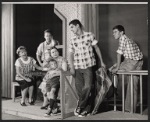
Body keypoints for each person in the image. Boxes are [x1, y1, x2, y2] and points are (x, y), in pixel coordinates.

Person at [68, 19, 106, 117]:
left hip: (88, 66)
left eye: (72, 27)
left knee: (88, 87)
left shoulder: (89, 35)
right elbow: (70, 54)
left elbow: (97, 48)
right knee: (79, 89)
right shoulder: (73, 40)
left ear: (77, 26)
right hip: (77, 66)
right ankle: (85, 109)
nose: (71, 29)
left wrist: (102, 61)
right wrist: (71, 67)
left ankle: (80, 106)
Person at [110, 25, 143, 113]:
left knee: (112, 70)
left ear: (121, 32)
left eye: (115, 32)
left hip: (133, 62)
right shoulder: (127, 40)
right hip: (137, 62)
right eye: (113, 32)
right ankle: (130, 110)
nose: (113, 34)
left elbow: (119, 54)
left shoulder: (123, 39)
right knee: (133, 86)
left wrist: (116, 67)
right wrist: (115, 65)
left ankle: (112, 91)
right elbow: (126, 59)